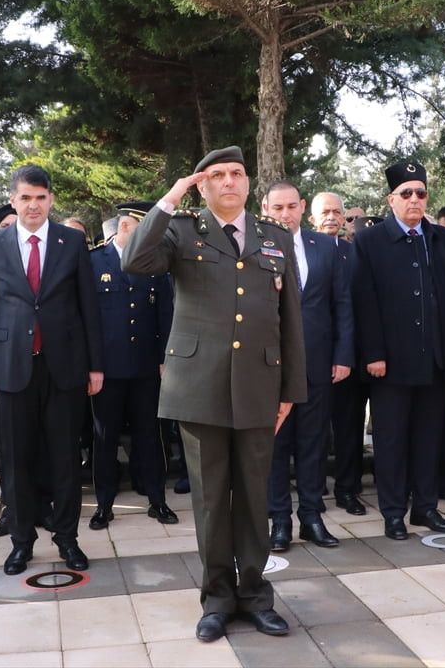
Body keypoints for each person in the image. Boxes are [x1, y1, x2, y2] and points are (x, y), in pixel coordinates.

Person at [121, 145, 306, 643]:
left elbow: (290, 319)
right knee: (209, 501)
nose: (229, 181)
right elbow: (134, 260)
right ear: (202, 185)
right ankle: (217, 599)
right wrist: (170, 198)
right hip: (199, 386)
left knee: (253, 496)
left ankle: (256, 596)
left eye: (238, 174)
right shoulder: (181, 231)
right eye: (217, 175)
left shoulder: (274, 237)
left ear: (249, 183)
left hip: (259, 385)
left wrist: (290, 388)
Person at [0, 165, 103, 575]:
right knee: (14, 460)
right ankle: (21, 541)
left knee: (66, 458)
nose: (33, 205)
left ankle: (67, 539)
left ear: (51, 200)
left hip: (64, 367)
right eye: (25, 198)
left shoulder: (72, 242)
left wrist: (95, 366)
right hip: (11, 369)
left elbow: (89, 308)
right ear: (13, 200)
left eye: (41, 198)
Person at [351, 160, 445, 540]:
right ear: (391, 199)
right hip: (391, 362)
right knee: (390, 440)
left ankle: (424, 508)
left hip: (436, 359)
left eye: (421, 193)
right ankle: (392, 512)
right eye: (407, 193)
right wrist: (373, 353)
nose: (415, 199)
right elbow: (363, 301)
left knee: (428, 438)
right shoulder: (369, 241)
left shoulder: (442, 239)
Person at [263, 181, 353, 550]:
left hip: (317, 362)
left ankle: (312, 517)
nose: (285, 214)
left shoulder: (327, 247)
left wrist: (343, 355)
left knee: (314, 444)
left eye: (291, 207)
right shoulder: (255, 247)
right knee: (275, 447)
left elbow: (342, 304)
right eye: (277, 208)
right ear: (266, 210)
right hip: (269, 365)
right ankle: (279, 521)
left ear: (303, 207)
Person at [87, 202, 177, 531]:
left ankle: (157, 499)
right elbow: (87, 321)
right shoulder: (93, 261)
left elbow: (166, 313)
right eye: (144, 229)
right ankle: (104, 504)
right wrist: (91, 366)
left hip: (145, 368)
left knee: (150, 437)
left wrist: (165, 358)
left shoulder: (155, 264)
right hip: (106, 370)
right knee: (105, 438)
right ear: (125, 227)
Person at [310, 192, 368, 516]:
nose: (331, 217)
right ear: (312, 217)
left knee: (349, 428)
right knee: (314, 430)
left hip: (348, 355)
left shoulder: (352, 252)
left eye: (337, 212)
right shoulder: (299, 251)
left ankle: (348, 489)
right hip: (311, 356)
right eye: (325, 212)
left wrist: (347, 355)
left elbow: (359, 304)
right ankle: (313, 489)